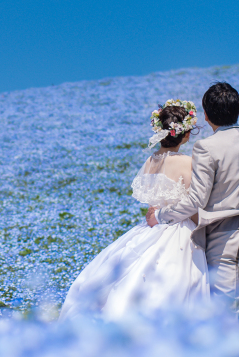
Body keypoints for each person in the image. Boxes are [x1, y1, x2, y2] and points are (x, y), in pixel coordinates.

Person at [59, 100, 208, 321]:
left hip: (150, 227)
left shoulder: (151, 160)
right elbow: (192, 206)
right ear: (185, 135)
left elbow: (152, 205)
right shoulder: (187, 162)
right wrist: (203, 228)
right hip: (180, 231)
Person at [146, 82, 239, 319]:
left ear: (206, 116)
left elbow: (196, 199)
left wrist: (160, 216)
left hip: (222, 242)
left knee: (225, 315)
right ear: (238, 109)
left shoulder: (206, 147)